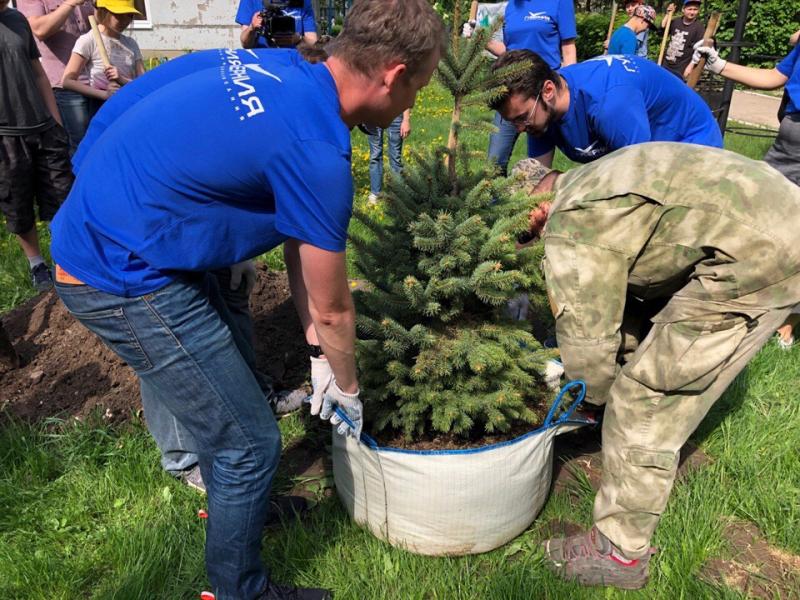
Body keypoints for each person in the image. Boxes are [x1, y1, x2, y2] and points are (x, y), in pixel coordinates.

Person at [49, 0, 445, 597]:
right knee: (249, 442)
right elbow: (336, 307)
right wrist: (347, 384)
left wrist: (316, 355)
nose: (412, 104)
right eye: (417, 88)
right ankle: (239, 590)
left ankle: (246, 510)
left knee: (231, 398)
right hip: (120, 274)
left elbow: (138, 99)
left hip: (119, 231)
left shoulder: (285, 65)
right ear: (392, 75)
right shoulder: (318, 151)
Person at [514, 141, 800, 590]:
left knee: (645, 399)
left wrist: (592, 402)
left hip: (764, 256)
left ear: (537, 209)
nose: (531, 246)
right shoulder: (591, 176)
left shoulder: (572, 222)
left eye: (526, 237)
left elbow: (587, 348)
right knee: (633, 339)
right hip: (774, 213)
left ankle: (620, 551)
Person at [693, 29, 800, 350]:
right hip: (790, 138)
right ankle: (741, 301)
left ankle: (788, 322)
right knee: (754, 218)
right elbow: (776, 76)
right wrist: (719, 65)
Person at [489, 50, 722, 166]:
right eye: (512, 121)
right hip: (640, 150)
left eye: (521, 118)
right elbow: (539, 179)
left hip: (690, 146)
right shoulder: (538, 115)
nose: (519, 129)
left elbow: (639, 179)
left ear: (548, 91)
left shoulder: (609, 104)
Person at [1, 0, 72, 292]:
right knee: (16, 203)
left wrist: (55, 121)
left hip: (42, 126)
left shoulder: (17, 20)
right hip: (5, 132)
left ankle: (67, 259)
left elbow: (38, 71)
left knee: (62, 193)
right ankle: (36, 266)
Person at [465, 0, 577, 175]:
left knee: (538, 167)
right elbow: (509, 52)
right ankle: (496, 202)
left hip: (542, 96)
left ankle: (540, 199)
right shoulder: (511, 7)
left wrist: (569, 87)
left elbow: (568, 50)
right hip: (511, 94)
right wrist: (481, 38)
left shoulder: (559, 2)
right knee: (494, 162)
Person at [17, 0, 94, 156]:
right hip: (64, 86)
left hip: (96, 83)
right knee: (78, 147)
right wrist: (71, 3)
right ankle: (76, 180)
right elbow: (39, 29)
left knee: (98, 140)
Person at [61, 0, 144, 109]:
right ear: (103, 11)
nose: (124, 20)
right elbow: (67, 81)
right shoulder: (89, 40)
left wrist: (121, 79)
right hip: (100, 105)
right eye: (118, 14)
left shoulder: (131, 44)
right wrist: (104, 94)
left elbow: (143, 82)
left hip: (128, 103)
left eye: (129, 15)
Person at [366, 109, 411, 203]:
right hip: (372, 114)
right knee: (375, 155)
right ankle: (375, 193)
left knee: (395, 158)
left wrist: (406, 120)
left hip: (395, 114)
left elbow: (404, 94)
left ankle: (397, 194)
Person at [237, 0, 317, 49]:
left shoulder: (304, 2)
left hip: (293, 62)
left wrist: (298, 40)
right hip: (262, 60)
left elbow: (313, 43)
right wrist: (252, 28)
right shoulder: (251, 1)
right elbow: (245, 44)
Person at [661, 0, 705, 81]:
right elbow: (662, 30)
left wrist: (690, 67)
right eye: (689, 9)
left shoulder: (699, 27)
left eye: (695, 9)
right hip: (666, 63)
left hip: (681, 67)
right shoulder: (676, 22)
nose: (692, 12)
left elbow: (699, 50)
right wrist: (668, 14)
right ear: (683, 9)